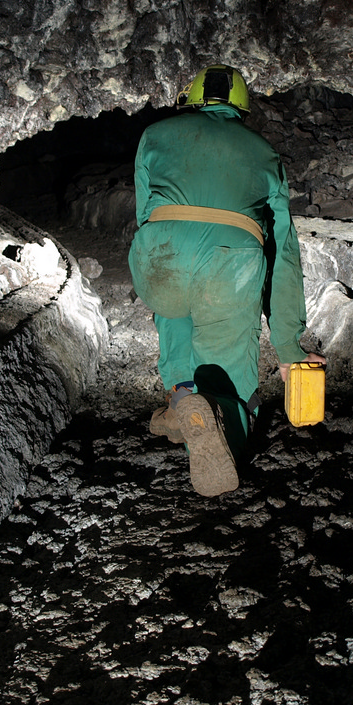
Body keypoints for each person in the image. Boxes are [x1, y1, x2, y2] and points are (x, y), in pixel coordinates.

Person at [129, 64, 325, 497]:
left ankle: (182, 396)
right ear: (241, 105)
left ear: (194, 96)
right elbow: (283, 253)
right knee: (230, 373)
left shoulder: (155, 135)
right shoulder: (264, 153)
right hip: (228, 267)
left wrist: (168, 251)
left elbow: (145, 214)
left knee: (174, 308)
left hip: (157, 260)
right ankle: (224, 428)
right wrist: (290, 346)